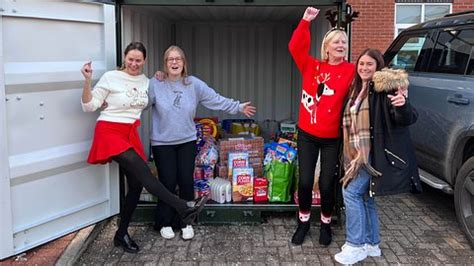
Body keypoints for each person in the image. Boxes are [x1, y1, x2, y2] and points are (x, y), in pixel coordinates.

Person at [80, 42, 208, 253]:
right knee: (145, 173)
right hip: (110, 132)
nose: (134, 63)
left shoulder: (145, 81)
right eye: (131, 59)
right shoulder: (111, 77)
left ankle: (121, 235)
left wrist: (161, 74)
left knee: (137, 184)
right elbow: (89, 105)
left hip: (130, 134)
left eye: (138, 60)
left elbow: (162, 87)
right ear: (124, 58)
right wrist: (87, 81)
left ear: (144, 61)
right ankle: (183, 206)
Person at [149, 45, 256, 240]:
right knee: (167, 182)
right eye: (170, 59)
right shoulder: (155, 84)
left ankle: (186, 222)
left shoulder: (193, 84)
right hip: (162, 142)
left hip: (186, 141)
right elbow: (138, 100)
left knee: (186, 181)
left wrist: (238, 106)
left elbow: (215, 99)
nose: (174, 62)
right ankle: (164, 222)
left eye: (178, 59)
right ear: (165, 64)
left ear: (184, 63)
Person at [334, 48, 422, 264]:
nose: (364, 68)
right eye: (361, 64)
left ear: (378, 67)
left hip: (372, 155)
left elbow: (407, 117)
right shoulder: (357, 88)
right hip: (357, 153)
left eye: (370, 64)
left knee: (351, 193)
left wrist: (403, 105)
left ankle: (356, 246)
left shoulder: (384, 88)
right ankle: (372, 244)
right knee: (366, 198)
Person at [288, 7, 356, 246]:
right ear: (326, 47)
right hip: (307, 134)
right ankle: (304, 221)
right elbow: (295, 47)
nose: (341, 45)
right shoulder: (312, 66)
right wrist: (305, 21)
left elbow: (371, 75)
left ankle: (326, 223)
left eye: (344, 41)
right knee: (305, 181)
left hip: (331, 138)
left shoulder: (350, 70)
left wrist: (397, 88)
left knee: (327, 183)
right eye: (336, 41)